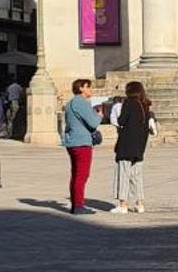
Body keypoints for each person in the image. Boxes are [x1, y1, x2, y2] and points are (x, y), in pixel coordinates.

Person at [61, 77, 103, 212]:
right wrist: (99, 115)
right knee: (82, 175)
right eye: (88, 86)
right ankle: (78, 205)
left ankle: (76, 204)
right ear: (81, 88)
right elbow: (93, 123)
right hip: (82, 142)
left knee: (75, 174)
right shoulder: (82, 102)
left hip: (72, 141)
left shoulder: (70, 103)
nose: (91, 89)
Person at [113, 79, 154, 213]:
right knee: (137, 175)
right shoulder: (145, 105)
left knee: (124, 174)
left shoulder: (129, 103)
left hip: (127, 145)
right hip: (139, 145)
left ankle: (123, 204)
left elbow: (121, 120)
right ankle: (139, 203)